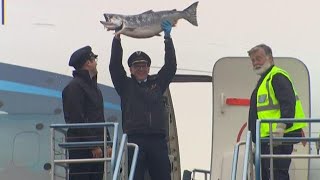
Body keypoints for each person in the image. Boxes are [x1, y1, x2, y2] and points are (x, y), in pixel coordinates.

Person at [109, 20, 176, 180]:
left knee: (163, 177)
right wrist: (117, 38)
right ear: (131, 69)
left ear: (148, 68)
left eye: (144, 66)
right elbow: (114, 66)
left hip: (157, 140)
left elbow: (170, 66)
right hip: (135, 139)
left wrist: (168, 39)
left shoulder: (157, 83)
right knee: (134, 177)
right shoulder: (125, 85)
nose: (141, 69)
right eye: (137, 66)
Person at [247, 44, 307, 180]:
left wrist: (281, 127)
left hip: (278, 139)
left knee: (277, 175)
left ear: (270, 58)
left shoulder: (277, 76)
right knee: (266, 175)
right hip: (266, 140)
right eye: (253, 60)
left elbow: (288, 102)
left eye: (258, 58)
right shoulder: (264, 80)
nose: (255, 63)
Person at [62, 46, 110, 180]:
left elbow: (99, 118)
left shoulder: (94, 88)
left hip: (97, 150)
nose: (96, 62)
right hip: (82, 150)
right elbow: (76, 119)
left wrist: (108, 143)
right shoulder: (75, 87)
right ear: (88, 63)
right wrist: (93, 145)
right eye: (94, 59)